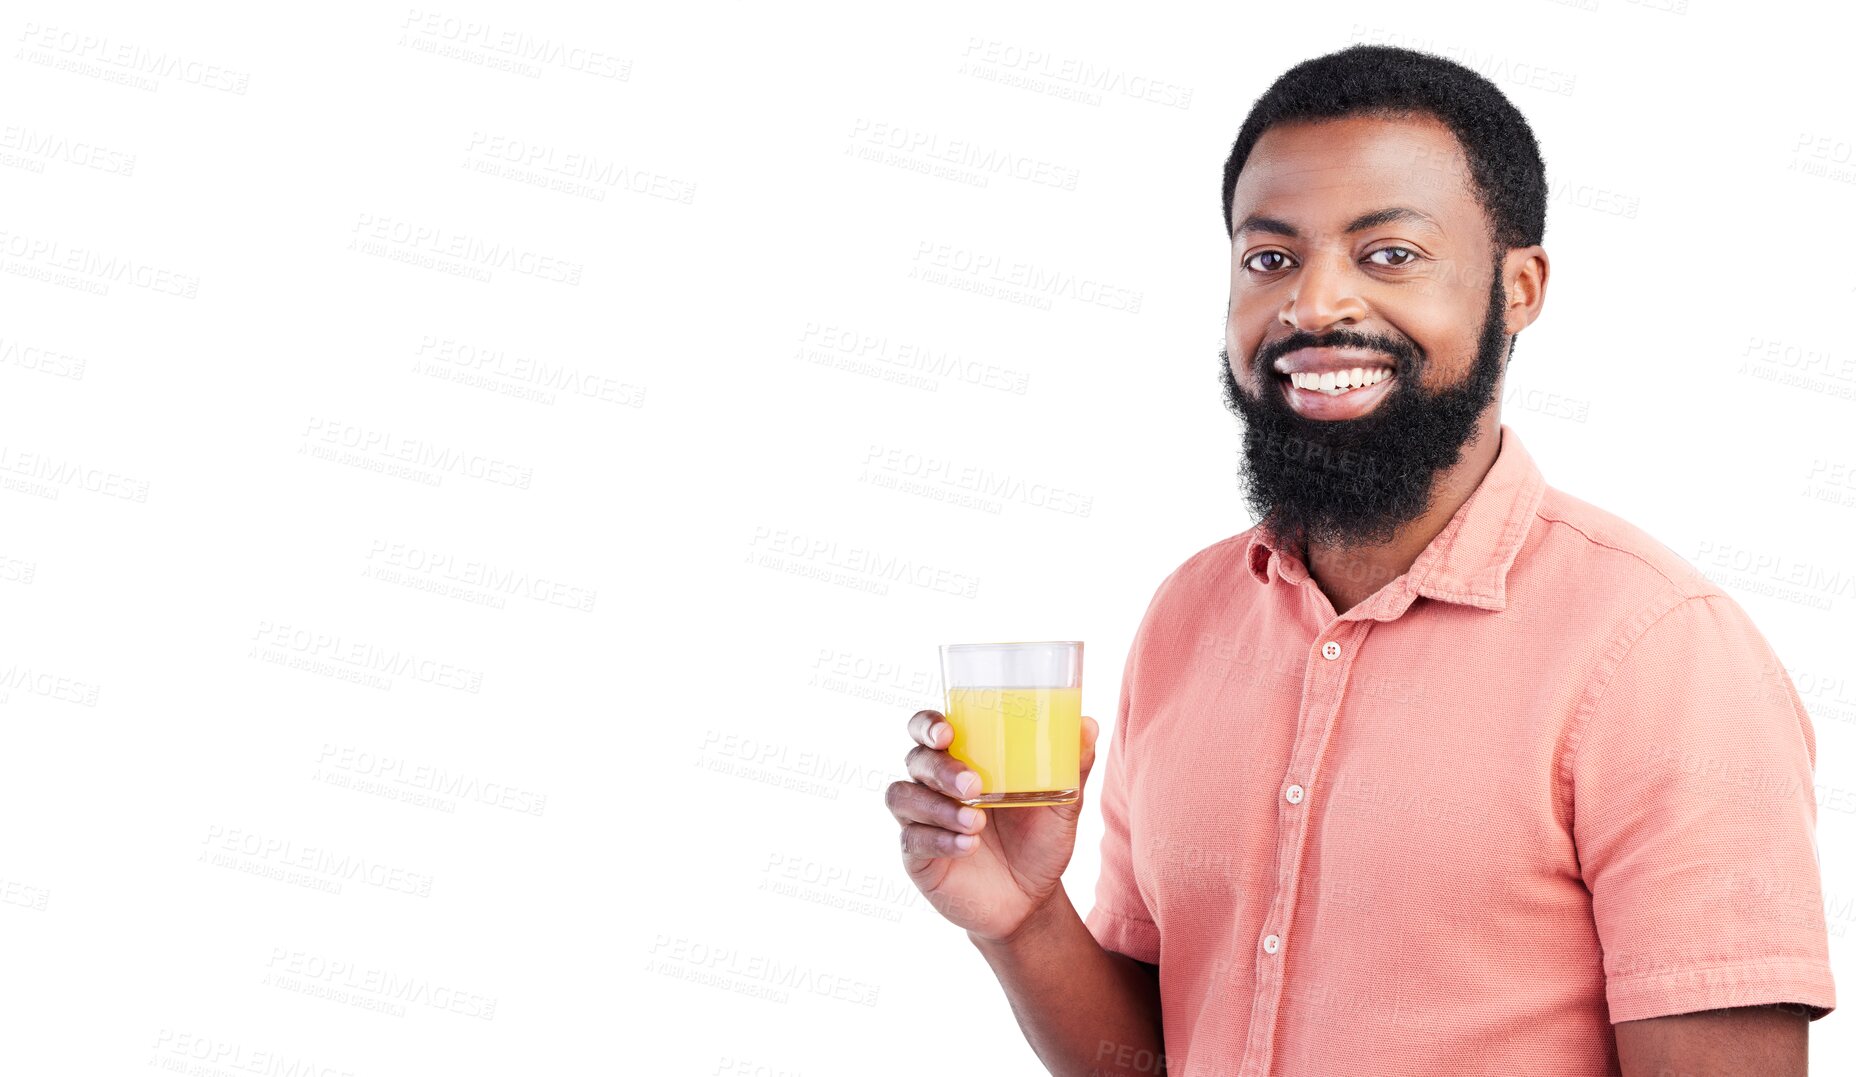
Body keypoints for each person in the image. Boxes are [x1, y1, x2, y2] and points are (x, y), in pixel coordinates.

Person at [884, 44, 1836, 1077]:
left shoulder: (1660, 654)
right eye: (1268, 258)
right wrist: (1021, 921)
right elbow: (1152, 1060)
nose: (1312, 305)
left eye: (1387, 254)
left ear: (1516, 289)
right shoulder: (1185, 619)